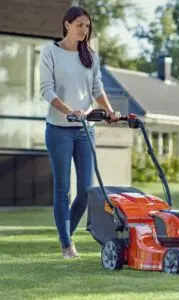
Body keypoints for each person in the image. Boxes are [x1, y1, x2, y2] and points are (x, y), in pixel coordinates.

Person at [40, 6, 118, 259]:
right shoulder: (50, 52)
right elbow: (47, 90)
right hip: (59, 130)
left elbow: (97, 88)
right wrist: (68, 110)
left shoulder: (90, 56)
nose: (84, 30)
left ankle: (66, 235)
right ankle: (66, 246)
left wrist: (110, 111)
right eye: (79, 25)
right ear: (66, 24)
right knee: (63, 189)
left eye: (87, 26)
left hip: (86, 130)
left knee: (86, 191)